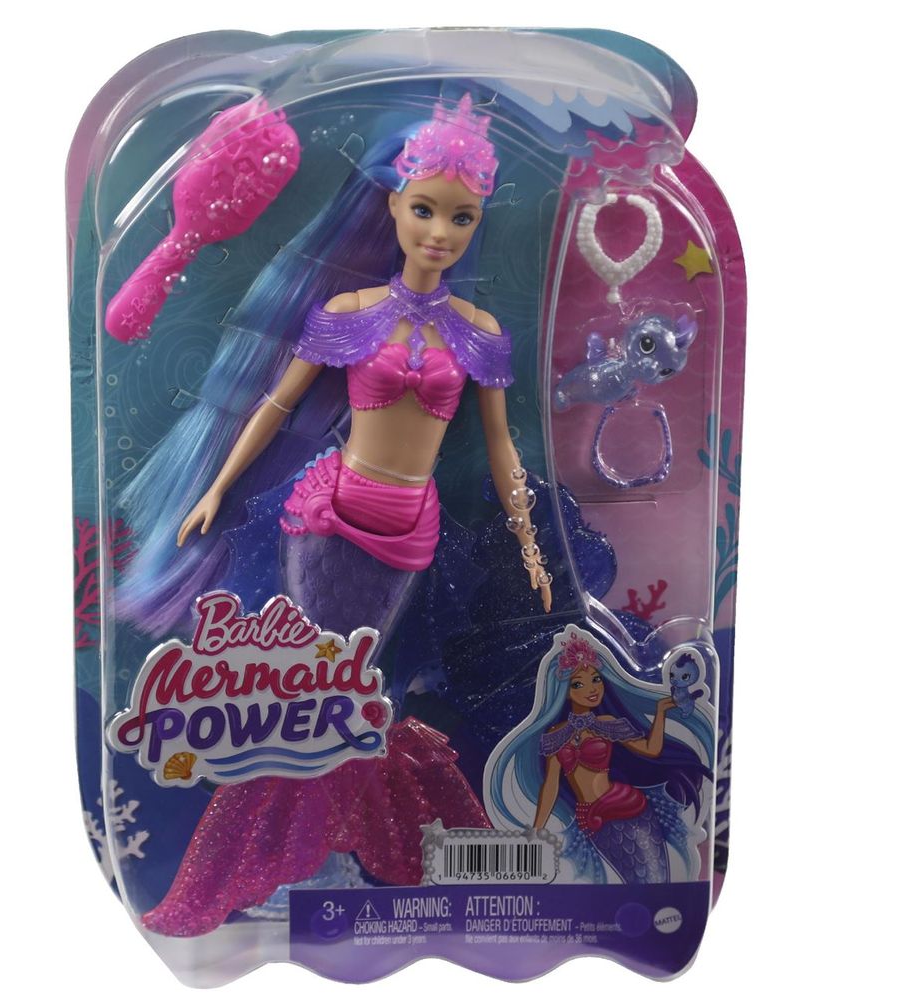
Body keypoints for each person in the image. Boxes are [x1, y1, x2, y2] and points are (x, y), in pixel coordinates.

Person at [114, 93, 553, 936]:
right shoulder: (350, 316)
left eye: (461, 217)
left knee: (359, 689)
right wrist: (216, 486)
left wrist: (529, 540)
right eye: (424, 209)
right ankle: (286, 856)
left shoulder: (478, 332)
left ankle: (337, 846)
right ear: (392, 206)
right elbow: (276, 406)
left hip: (410, 529)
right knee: (324, 691)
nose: (440, 232)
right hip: (329, 520)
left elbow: (502, 447)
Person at [487, 627, 712, 885]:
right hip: (589, 816)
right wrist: (536, 829)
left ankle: (660, 905)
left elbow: (651, 750)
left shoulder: (605, 723)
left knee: (651, 877)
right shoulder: (556, 734)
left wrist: (660, 712)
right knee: (624, 879)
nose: (592, 689)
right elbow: (550, 785)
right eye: (578, 684)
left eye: (596, 679)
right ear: (564, 690)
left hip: (628, 808)